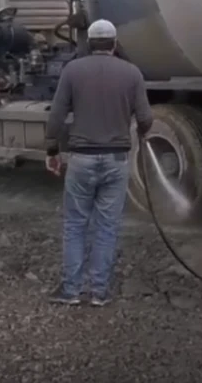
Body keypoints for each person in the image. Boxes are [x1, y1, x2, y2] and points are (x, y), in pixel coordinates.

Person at [44, 18, 154, 307]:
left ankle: (71, 291)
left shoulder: (73, 70)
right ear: (115, 44)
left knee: (76, 225)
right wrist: (142, 131)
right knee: (106, 227)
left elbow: (55, 116)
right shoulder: (132, 73)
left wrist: (52, 151)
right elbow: (145, 119)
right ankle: (99, 293)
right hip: (116, 160)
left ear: (89, 44)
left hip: (81, 159)